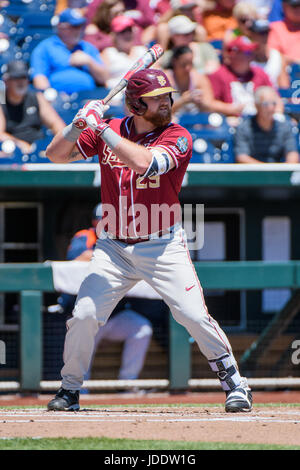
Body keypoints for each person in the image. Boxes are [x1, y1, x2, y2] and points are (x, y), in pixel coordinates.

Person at [45, 67, 253, 413]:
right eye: (156, 99)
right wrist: (76, 125)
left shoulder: (178, 136)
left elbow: (146, 164)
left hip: (162, 244)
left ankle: (236, 383)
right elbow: (54, 154)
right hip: (112, 247)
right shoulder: (109, 129)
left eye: (166, 97)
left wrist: (99, 128)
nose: (166, 103)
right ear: (135, 105)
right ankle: (69, 389)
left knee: (193, 315)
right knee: (83, 314)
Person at [56, 203, 153, 386]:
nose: (107, 225)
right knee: (83, 336)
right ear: (94, 221)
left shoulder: (123, 238)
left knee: (141, 328)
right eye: (103, 221)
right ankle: (78, 390)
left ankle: (127, 384)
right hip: (89, 312)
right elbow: (77, 258)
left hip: (115, 315)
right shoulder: (85, 236)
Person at [30, 8, 108, 94]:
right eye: (74, 27)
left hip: (88, 98)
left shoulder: (87, 47)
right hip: (59, 100)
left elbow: (104, 78)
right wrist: (51, 98)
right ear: (61, 27)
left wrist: (89, 62)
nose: (78, 31)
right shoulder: (45, 47)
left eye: (81, 26)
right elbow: (39, 79)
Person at [207, 36, 283, 117]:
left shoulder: (259, 73)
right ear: (234, 55)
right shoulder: (219, 74)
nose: (251, 56)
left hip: (258, 122)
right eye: (247, 53)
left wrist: (278, 115)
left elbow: (275, 98)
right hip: (231, 121)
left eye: (252, 52)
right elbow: (209, 103)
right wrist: (229, 109)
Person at [0, 60, 65, 155]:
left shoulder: (37, 98)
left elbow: (57, 125)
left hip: (39, 148)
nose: (20, 82)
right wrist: (21, 145)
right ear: (6, 81)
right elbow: (0, 134)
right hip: (13, 151)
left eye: (24, 77)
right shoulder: (1, 100)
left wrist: (61, 143)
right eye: (16, 78)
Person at [234, 86, 299, 163]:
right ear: (256, 106)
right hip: (252, 173)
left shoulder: (285, 127)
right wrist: (266, 172)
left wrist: (282, 171)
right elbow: (242, 157)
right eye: (265, 104)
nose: (270, 108)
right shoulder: (244, 128)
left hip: (277, 172)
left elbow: (292, 153)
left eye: (274, 103)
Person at [164, 45, 214, 116]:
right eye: (183, 65)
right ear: (174, 62)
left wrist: (200, 103)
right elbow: (161, 112)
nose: (187, 68)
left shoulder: (199, 78)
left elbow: (210, 107)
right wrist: (182, 101)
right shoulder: (165, 79)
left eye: (190, 64)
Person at [100, 15, 147, 90]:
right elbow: (102, 79)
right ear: (114, 35)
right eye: (122, 31)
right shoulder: (108, 53)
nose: (127, 34)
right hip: (116, 96)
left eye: (129, 30)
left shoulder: (143, 50)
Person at [249, 19, 290, 88]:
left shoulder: (277, 56)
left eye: (266, 33)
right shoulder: (245, 57)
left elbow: (283, 84)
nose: (264, 37)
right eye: (260, 33)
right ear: (252, 35)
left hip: (274, 95)